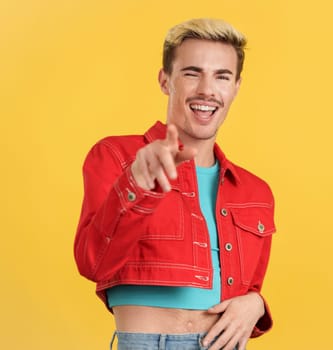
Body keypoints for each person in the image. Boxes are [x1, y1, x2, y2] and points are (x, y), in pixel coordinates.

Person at [74, 18, 276, 350]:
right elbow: (93, 263)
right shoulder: (117, 156)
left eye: (222, 76)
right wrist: (137, 185)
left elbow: (246, 291)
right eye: (192, 73)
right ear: (165, 80)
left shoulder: (255, 191)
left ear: (236, 87)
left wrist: (255, 305)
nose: (207, 90)